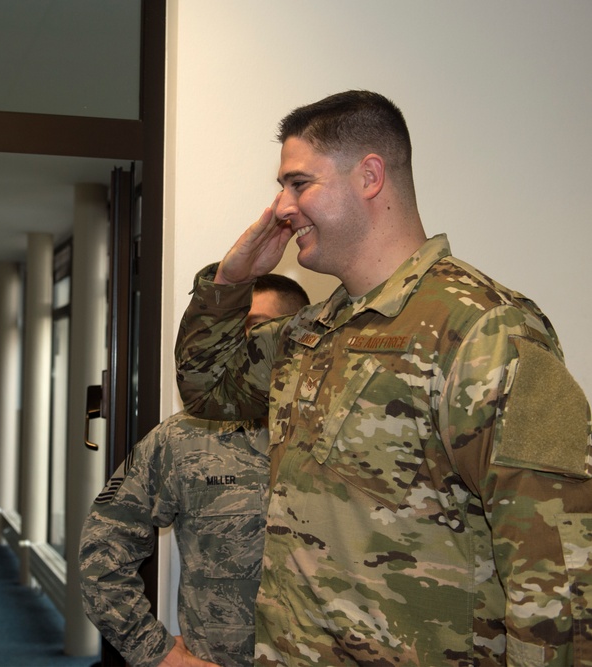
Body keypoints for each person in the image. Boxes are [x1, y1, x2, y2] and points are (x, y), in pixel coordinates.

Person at [175, 90, 592, 665]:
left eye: (299, 184)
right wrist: (229, 280)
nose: (281, 208)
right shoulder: (314, 331)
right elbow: (206, 383)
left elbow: (558, 574)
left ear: (370, 175)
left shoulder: (486, 329)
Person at [80, 275, 310, 667]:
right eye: (231, 330)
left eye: (256, 328)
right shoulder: (185, 438)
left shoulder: (347, 435)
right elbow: (101, 553)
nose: (240, 344)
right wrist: (161, 655)